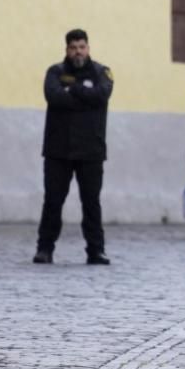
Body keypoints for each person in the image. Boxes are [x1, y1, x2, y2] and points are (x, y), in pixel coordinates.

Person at [34, 29, 114, 265]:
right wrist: (85, 97)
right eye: (73, 47)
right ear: (66, 49)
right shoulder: (55, 72)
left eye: (82, 47)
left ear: (88, 48)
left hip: (91, 151)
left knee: (91, 203)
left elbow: (102, 95)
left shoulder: (102, 72)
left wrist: (75, 90)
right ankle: (44, 249)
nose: (78, 52)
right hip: (58, 151)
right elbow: (54, 96)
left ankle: (96, 251)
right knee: (52, 202)